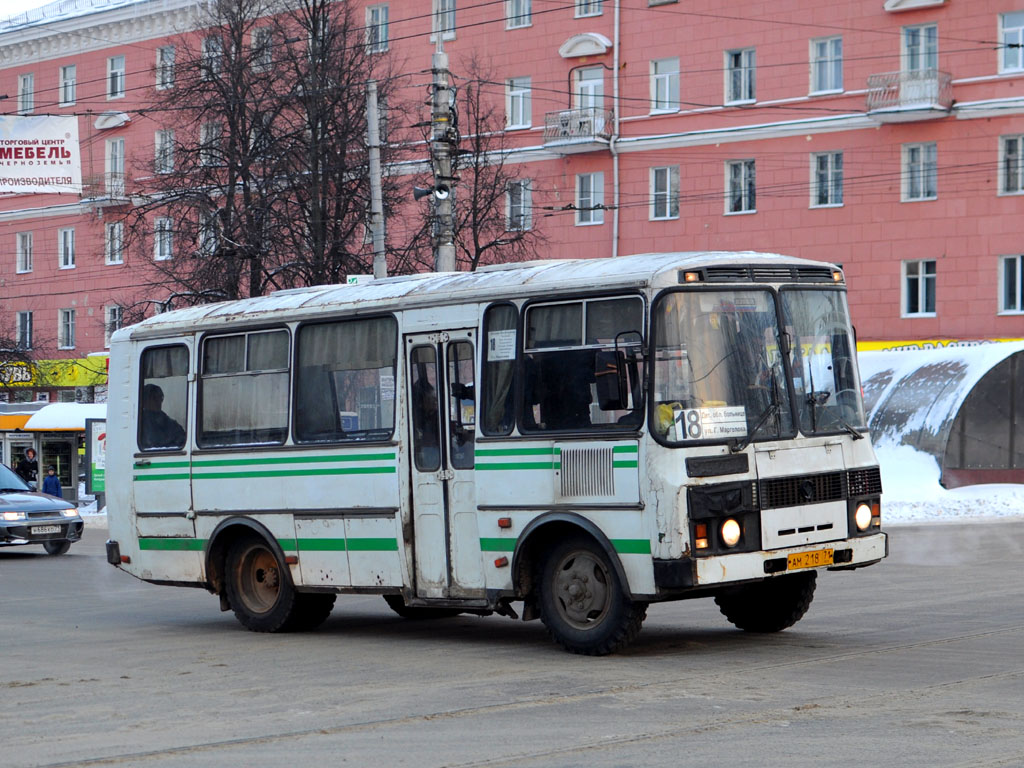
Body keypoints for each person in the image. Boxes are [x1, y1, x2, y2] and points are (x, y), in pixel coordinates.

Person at [140, 383, 186, 449]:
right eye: (155, 398)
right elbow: (154, 442)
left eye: (161, 398)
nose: (158, 402)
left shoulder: (163, 418)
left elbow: (179, 432)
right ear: (145, 400)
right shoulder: (141, 420)